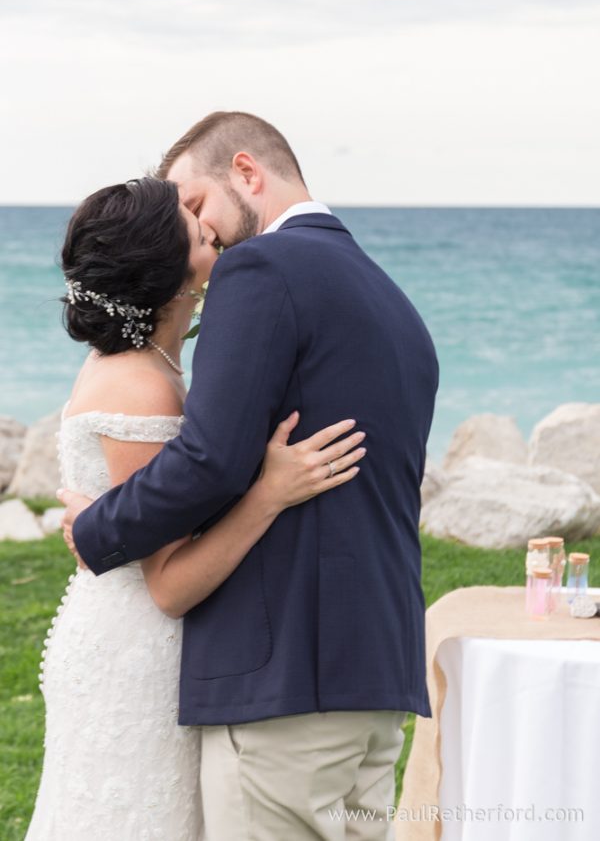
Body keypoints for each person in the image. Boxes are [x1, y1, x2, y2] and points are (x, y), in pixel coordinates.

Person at [60, 111, 439, 840]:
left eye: (196, 206)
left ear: (246, 171)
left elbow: (211, 457)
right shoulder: (390, 299)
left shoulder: (262, 267)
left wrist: (98, 527)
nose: (202, 237)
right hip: (377, 672)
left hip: (284, 683)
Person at [26, 177, 364, 840]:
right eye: (190, 217)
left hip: (135, 639)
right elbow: (170, 586)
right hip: (138, 656)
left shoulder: (146, 368)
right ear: (170, 267)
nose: (207, 219)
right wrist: (271, 491)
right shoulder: (142, 389)